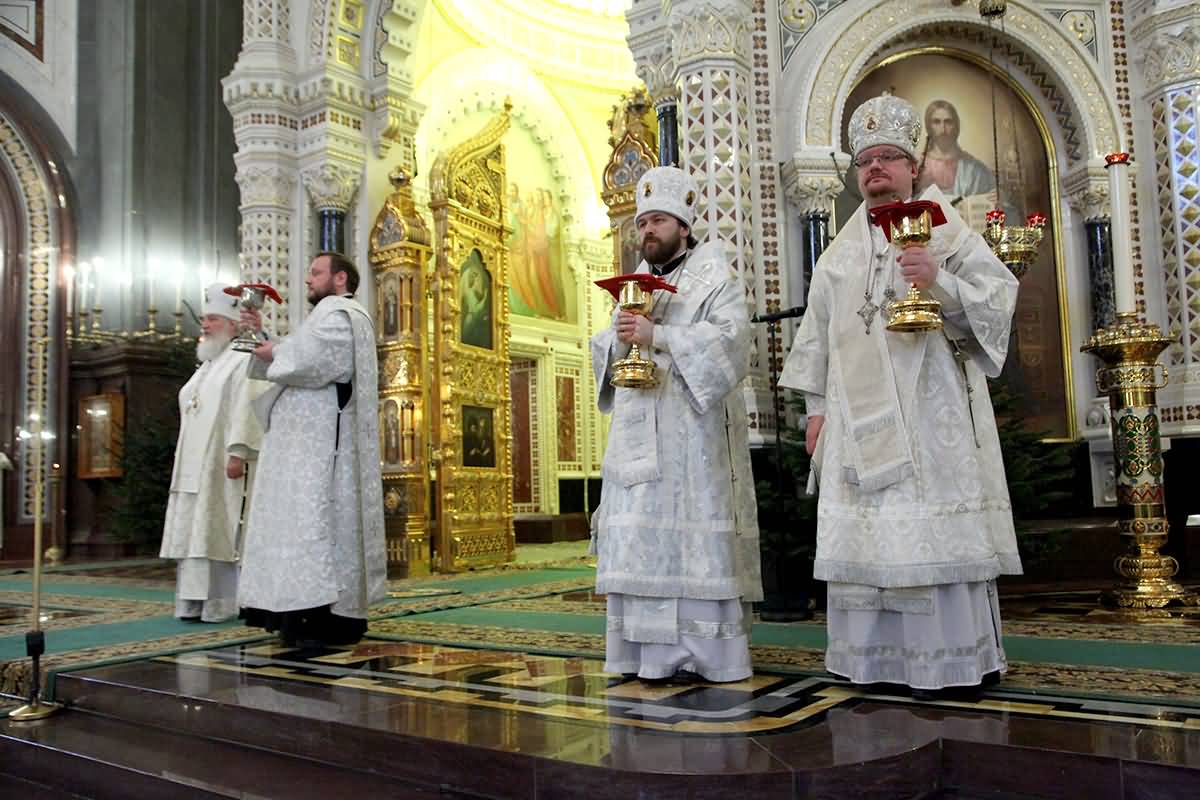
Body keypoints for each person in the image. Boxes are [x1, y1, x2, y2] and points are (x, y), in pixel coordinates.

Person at [780, 94, 1022, 698]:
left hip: (928, 416)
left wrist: (937, 278)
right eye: (866, 162)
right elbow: (818, 335)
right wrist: (815, 410)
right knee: (869, 534)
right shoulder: (841, 249)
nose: (876, 171)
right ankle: (872, 660)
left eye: (889, 158)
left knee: (927, 530)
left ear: (912, 166)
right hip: (854, 428)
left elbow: (999, 296)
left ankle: (947, 662)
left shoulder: (945, 225)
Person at [590, 165, 763, 684]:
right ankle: (644, 656)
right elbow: (610, 348)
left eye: (658, 221)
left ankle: (703, 655)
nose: (647, 231)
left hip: (692, 443)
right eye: (642, 222)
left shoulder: (715, 277)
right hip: (637, 441)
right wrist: (621, 338)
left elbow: (734, 345)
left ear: (683, 226)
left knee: (691, 541)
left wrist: (658, 336)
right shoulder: (637, 286)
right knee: (640, 538)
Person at [237, 252, 386, 646]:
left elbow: (315, 362)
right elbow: (299, 355)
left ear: (340, 279)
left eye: (316, 272)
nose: (308, 279)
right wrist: (265, 340)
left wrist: (275, 352)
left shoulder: (344, 315)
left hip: (322, 453)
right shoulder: (324, 317)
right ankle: (292, 610)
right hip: (304, 449)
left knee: (316, 525)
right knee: (300, 525)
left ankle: (319, 617)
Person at [159, 284, 263, 623]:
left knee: (217, 527)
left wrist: (239, 452)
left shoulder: (241, 358)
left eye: (214, 319)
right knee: (194, 530)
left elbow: (248, 406)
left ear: (232, 325)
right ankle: (190, 601)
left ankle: (221, 601)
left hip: (222, 461)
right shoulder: (206, 366)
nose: (204, 325)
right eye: (204, 319)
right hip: (193, 464)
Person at [916, 99, 997, 200]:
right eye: (936, 122)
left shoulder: (975, 169)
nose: (943, 128)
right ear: (929, 126)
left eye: (948, 122)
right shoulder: (918, 167)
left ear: (955, 126)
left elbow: (995, 205)